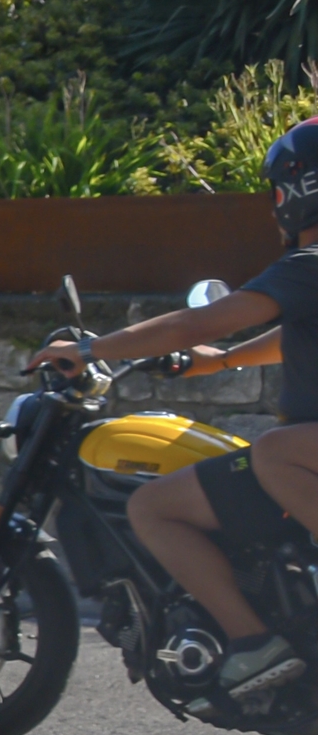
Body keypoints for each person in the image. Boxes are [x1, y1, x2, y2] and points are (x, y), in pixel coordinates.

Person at [30, 118, 318, 704]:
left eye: (275, 194)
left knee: (156, 505)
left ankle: (253, 641)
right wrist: (220, 362)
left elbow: (200, 319)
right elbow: (296, 332)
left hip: (302, 453)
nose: (272, 209)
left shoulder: (308, 263)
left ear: (298, 189)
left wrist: (90, 349)